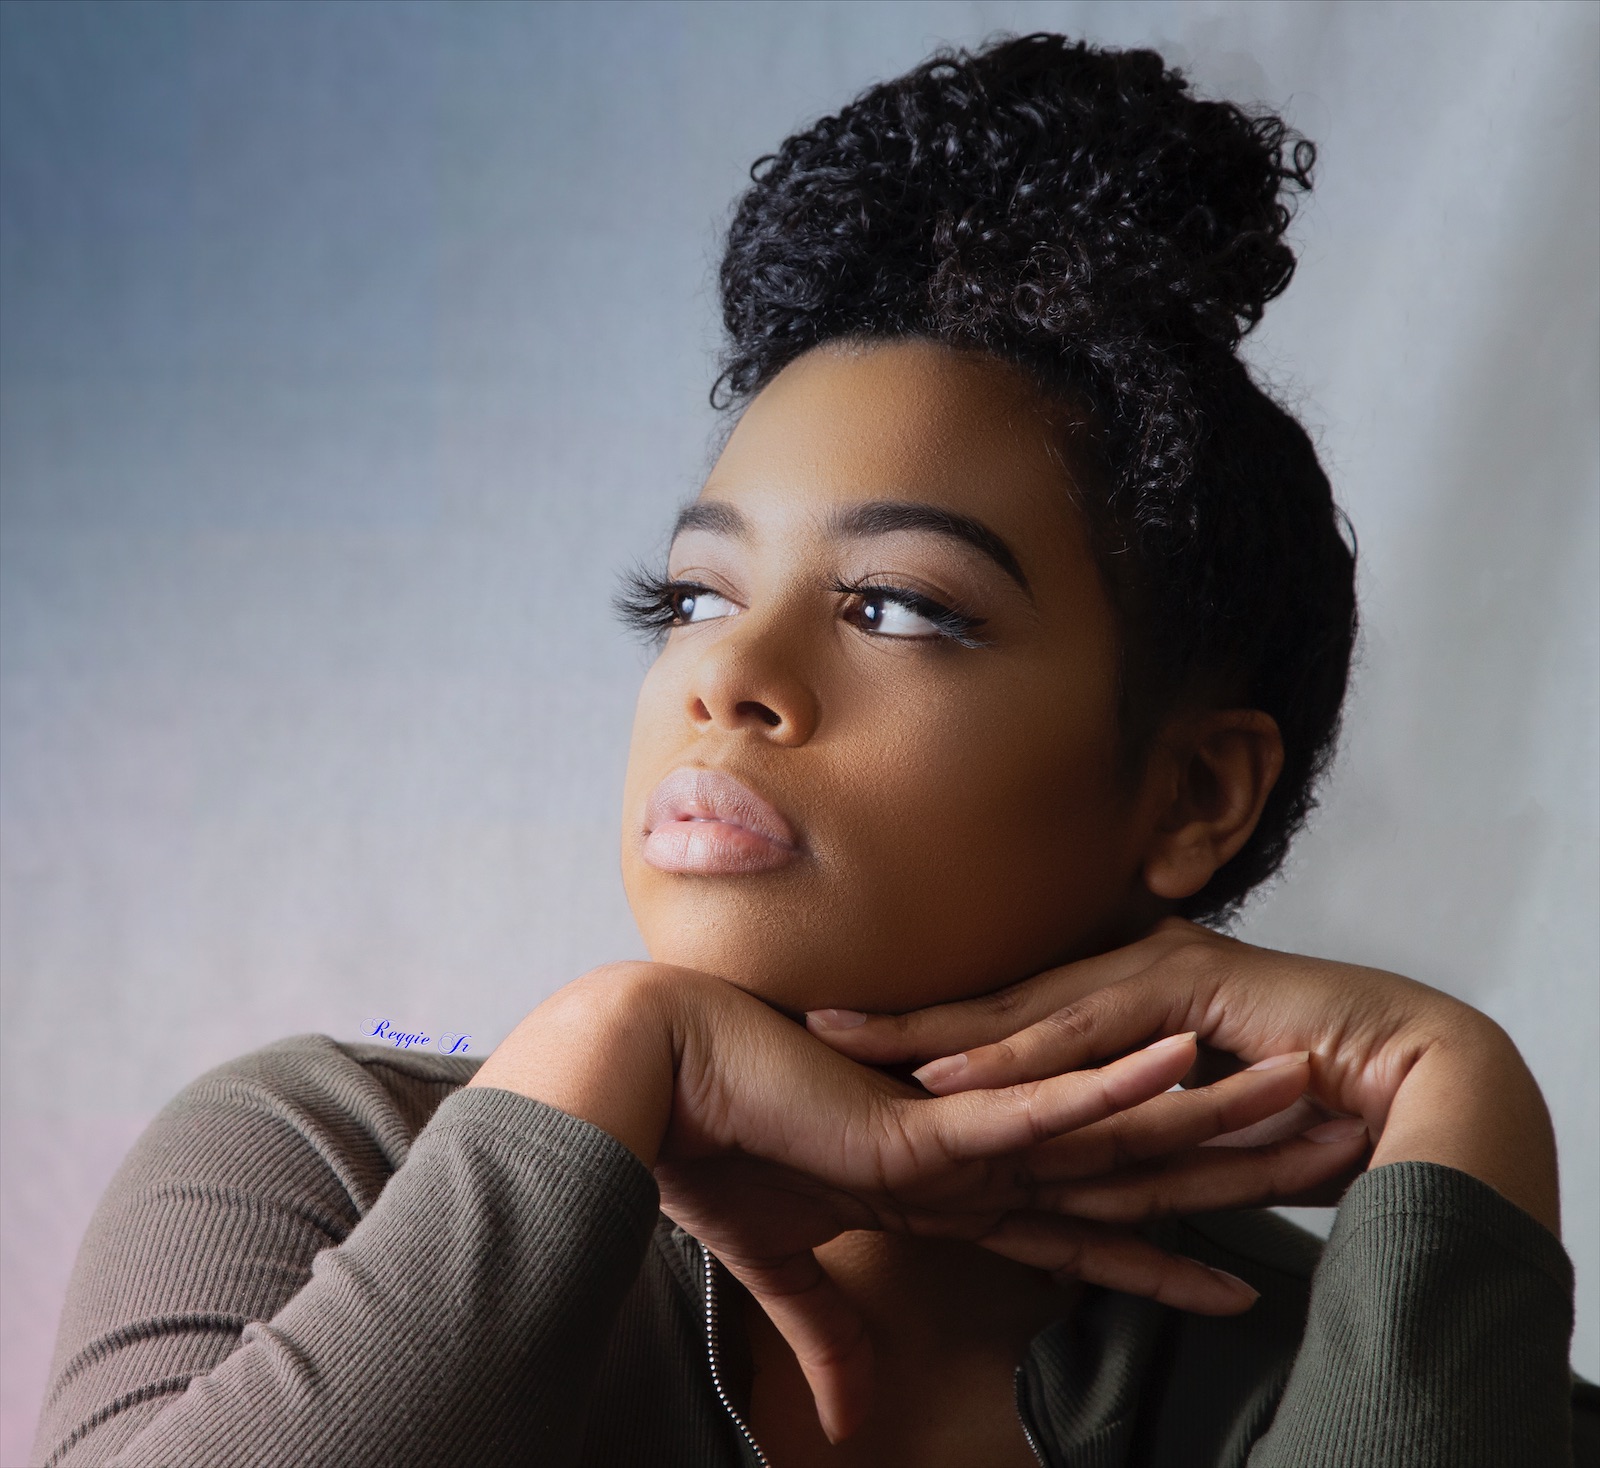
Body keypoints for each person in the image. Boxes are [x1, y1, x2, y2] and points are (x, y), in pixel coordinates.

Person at [31, 33, 1595, 1468]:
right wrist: (611, 1049)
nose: (730, 676)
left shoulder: (1400, 1365)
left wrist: (1459, 1093)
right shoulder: (324, 1167)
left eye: (899, 607)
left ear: (1194, 794)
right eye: (694, 597)